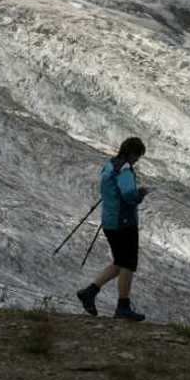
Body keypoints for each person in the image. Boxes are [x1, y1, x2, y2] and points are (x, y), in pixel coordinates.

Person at [76, 137, 150, 321]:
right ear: (132, 153)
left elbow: (110, 190)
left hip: (110, 222)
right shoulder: (124, 169)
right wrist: (140, 194)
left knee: (119, 262)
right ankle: (122, 306)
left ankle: (90, 292)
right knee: (128, 264)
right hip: (124, 223)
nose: (137, 160)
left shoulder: (110, 165)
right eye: (138, 156)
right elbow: (128, 195)